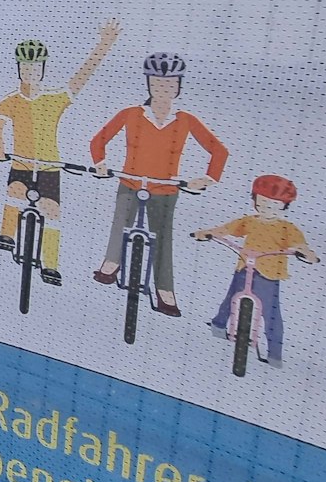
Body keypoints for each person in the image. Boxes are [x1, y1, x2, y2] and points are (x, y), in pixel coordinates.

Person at [90, 53, 228, 316]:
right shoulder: (131, 114)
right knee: (120, 222)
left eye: (169, 85)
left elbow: (218, 151)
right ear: (148, 85)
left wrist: (207, 179)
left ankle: (164, 290)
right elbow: (99, 140)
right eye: (157, 84)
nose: (163, 90)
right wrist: (101, 163)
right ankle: (112, 262)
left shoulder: (185, 120)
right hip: (130, 181)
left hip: (165, 188)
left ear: (178, 87)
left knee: (163, 239)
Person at [0, 21, 120, 285]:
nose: (30, 72)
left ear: (43, 69)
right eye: (25, 67)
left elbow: (81, 77)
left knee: (52, 211)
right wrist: (0, 150)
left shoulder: (53, 100)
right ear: (19, 69)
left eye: (35, 67)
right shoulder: (10, 101)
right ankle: (7, 234)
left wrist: (104, 44)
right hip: (22, 164)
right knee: (15, 190)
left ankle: (50, 264)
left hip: (49, 166)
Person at [193, 175, 317, 366]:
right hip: (244, 267)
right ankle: (218, 325)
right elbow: (227, 228)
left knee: (271, 313)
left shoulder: (287, 228)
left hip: (269, 273)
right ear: (255, 202)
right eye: (263, 204)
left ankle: (274, 353)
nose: (267, 210)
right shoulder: (250, 221)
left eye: (274, 206)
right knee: (231, 297)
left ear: (284, 206)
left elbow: (299, 244)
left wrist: (305, 252)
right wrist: (207, 233)